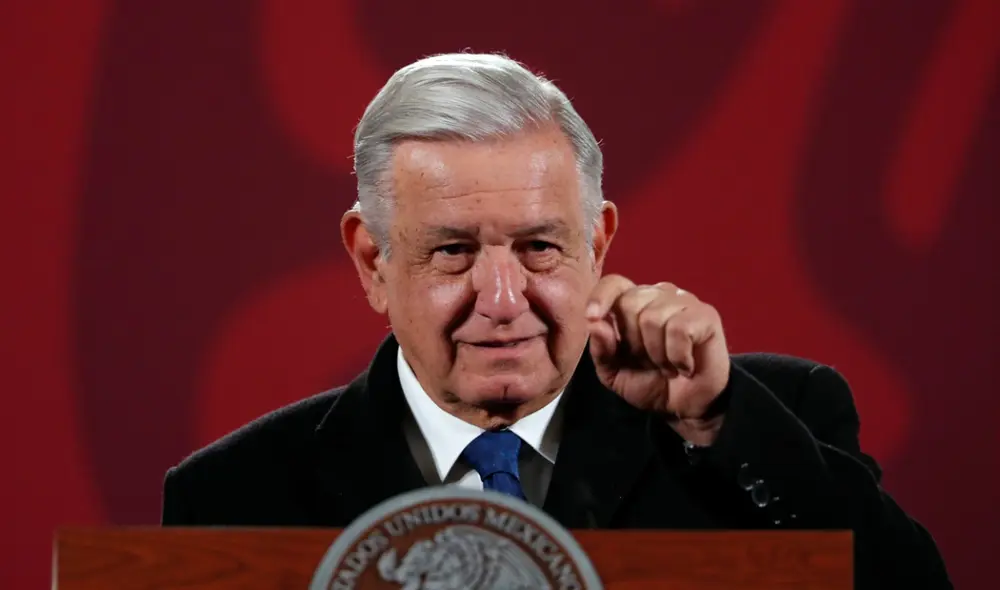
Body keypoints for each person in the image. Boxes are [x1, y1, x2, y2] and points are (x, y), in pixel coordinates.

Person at [162, 53, 951, 587]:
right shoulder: (232, 496)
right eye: (452, 252)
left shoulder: (759, 422)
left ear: (597, 244)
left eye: (540, 247)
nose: (504, 300)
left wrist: (719, 422)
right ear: (373, 260)